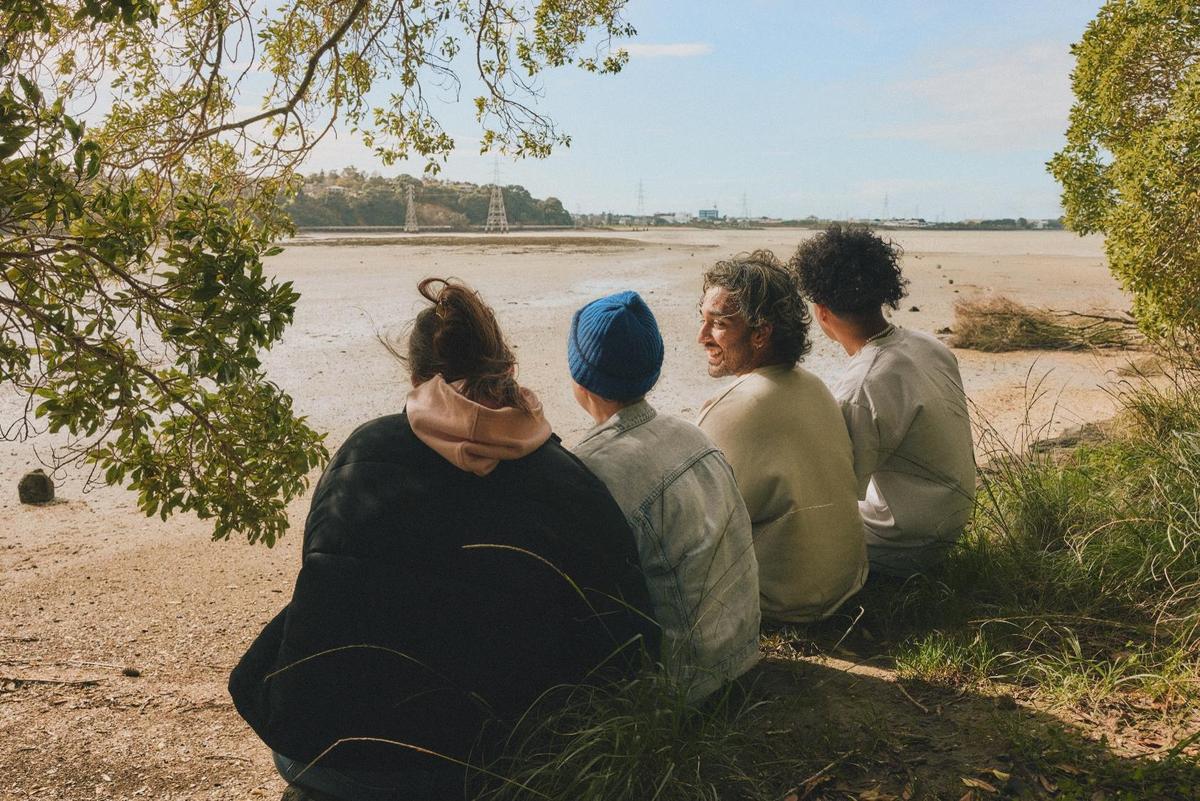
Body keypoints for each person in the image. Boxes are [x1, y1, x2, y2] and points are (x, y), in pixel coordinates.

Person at [229, 278, 657, 801]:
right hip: (488, 764)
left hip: (324, 751)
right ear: (509, 368)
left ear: (414, 377)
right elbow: (625, 634)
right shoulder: (570, 481)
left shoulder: (363, 451)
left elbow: (323, 575)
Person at [567, 290, 761, 702]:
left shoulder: (591, 470)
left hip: (683, 687)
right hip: (744, 655)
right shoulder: (693, 436)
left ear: (579, 376)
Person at [791, 225, 976, 578]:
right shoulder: (930, 346)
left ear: (821, 312)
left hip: (904, 546)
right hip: (948, 523)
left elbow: (838, 493)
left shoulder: (863, 385)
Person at [695, 251, 868, 623]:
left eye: (719, 325)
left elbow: (696, 522)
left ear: (760, 333)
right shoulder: (814, 386)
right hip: (847, 581)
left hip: (784, 602)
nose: (702, 338)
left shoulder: (735, 406)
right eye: (703, 321)